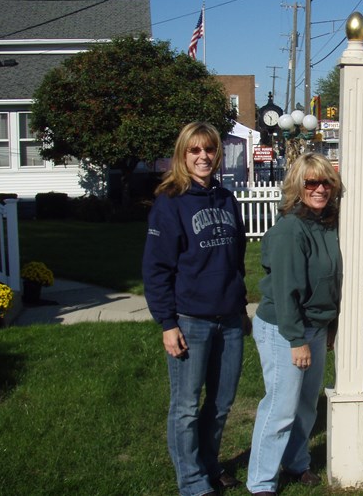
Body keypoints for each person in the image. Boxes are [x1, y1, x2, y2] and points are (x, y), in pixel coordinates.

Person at [142, 122, 248, 496]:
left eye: (209, 150)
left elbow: (237, 258)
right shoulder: (169, 203)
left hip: (230, 318)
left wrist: (241, 305)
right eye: (195, 151)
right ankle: (191, 481)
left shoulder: (226, 199)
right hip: (191, 321)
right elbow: (156, 269)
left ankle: (208, 464)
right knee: (186, 407)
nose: (203, 157)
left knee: (220, 404)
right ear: (183, 155)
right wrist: (167, 323)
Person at [246, 152, 343, 496]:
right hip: (285, 328)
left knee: (305, 405)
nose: (319, 189)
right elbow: (287, 290)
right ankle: (260, 482)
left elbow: (332, 280)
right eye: (311, 182)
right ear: (297, 186)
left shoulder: (326, 223)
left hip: (315, 327)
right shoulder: (291, 228)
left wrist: (329, 325)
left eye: (325, 182)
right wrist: (296, 339)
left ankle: (296, 461)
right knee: (281, 407)